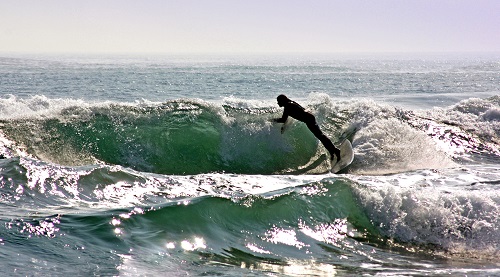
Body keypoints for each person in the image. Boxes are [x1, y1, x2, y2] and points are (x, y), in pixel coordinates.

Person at [273, 94, 341, 162]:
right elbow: (286, 119)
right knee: (320, 136)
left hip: (308, 119)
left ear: (282, 100)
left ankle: (335, 150)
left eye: (278, 101)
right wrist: (283, 126)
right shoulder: (289, 104)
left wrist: (271, 120)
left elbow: (283, 119)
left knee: (321, 136)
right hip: (309, 118)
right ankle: (332, 151)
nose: (278, 103)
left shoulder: (288, 106)